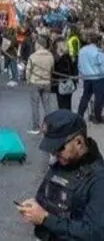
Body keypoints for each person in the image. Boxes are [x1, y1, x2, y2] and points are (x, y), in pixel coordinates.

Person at [17, 110, 104, 240]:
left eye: (58, 148)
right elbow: (43, 196)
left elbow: (95, 233)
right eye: (52, 149)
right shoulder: (63, 161)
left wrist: (45, 218)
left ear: (79, 142)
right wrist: (34, 208)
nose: (54, 153)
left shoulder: (98, 179)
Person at [27, 36, 56, 135]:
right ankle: (49, 126)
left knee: (35, 105)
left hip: (35, 82)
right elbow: (52, 69)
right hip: (47, 82)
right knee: (47, 105)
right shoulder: (50, 56)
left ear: (39, 45)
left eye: (36, 44)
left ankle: (36, 127)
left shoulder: (33, 56)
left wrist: (28, 80)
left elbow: (28, 71)